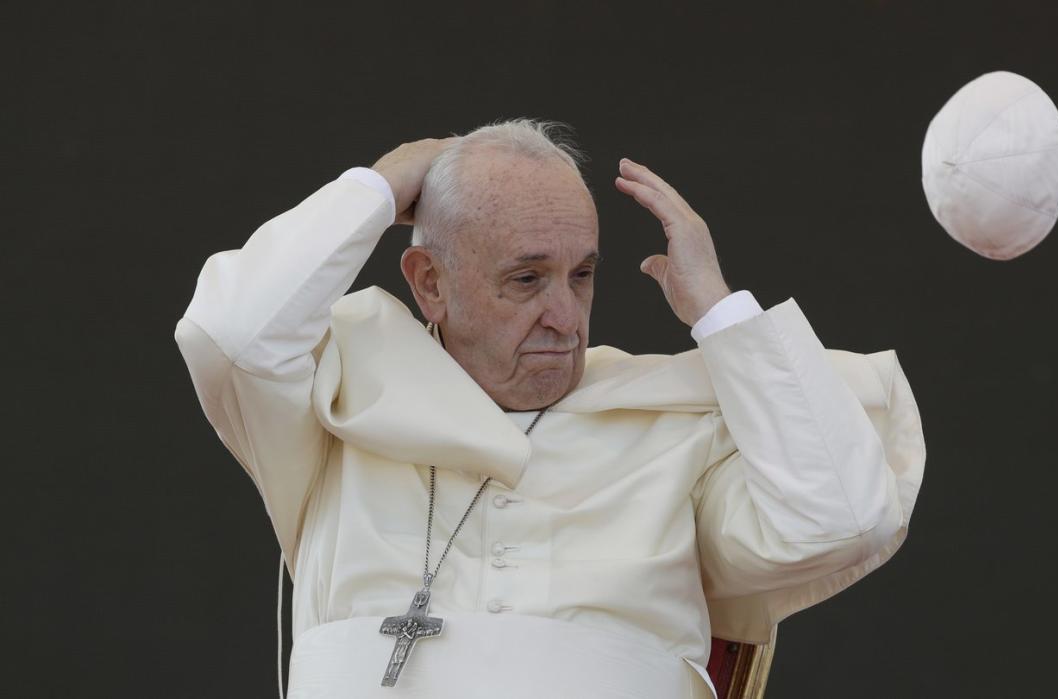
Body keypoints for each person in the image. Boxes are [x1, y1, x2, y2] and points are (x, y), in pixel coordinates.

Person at [173, 118, 926, 698]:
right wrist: (380, 184)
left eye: (583, 274)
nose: (565, 315)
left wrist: (721, 313)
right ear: (430, 282)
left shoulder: (669, 430)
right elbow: (230, 332)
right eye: (527, 279)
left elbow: (847, 516)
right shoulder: (333, 407)